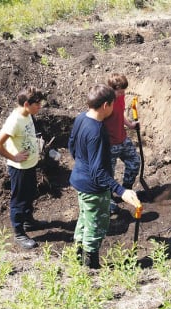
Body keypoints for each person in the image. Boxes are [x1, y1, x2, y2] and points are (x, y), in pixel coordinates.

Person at [68, 84, 141, 269]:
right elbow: (98, 171)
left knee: (84, 219)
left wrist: (82, 165)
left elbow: (71, 145)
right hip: (93, 188)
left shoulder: (80, 118)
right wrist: (121, 190)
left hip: (79, 180)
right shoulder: (97, 131)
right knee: (96, 227)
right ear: (106, 105)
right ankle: (91, 268)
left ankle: (77, 259)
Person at [0, 86, 46, 249]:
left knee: (30, 194)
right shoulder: (14, 121)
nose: (40, 107)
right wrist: (13, 157)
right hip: (19, 168)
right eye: (37, 104)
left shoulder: (27, 114)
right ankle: (19, 233)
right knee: (19, 199)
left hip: (29, 165)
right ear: (26, 104)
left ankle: (28, 221)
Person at [104, 73, 141, 214]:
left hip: (122, 138)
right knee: (108, 174)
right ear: (111, 89)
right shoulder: (105, 102)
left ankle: (126, 190)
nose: (123, 93)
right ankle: (108, 200)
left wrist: (130, 125)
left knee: (134, 161)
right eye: (120, 91)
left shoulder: (120, 97)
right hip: (110, 144)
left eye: (124, 91)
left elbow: (120, 113)